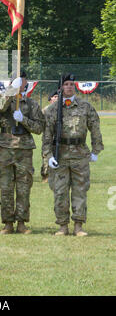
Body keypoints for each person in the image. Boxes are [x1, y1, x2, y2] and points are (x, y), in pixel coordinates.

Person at [42, 73, 104, 236]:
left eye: (71, 84)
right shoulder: (53, 109)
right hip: (60, 154)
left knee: (80, 190)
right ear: (60, 87)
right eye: (66, 84)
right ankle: (62, 226)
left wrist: (96, 150)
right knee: (60, 192)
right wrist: (48, 156)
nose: (69, 86)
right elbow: (47, 135)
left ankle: (78, 226)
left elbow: (95, 127)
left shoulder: (85, 106)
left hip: (80, 154)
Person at [0, 71, 45, 235]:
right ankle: (8, 222)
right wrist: (10, 91)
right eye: (15, 79)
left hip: (24, 148)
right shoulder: (4, 98)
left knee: (24, 187)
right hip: (6, 146)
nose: (18, 82)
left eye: (21, 80)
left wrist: (23, 119)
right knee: (6, 187)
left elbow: (39, 128)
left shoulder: (31, 104)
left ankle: (22, 222)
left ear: (26, 83)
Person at [40, 89, 58, 183]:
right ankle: (45, 175)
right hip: (47, 137)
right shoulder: (45, 110)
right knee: (46, 156)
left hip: (58, 137)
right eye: (54, 97)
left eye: (58, 97)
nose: (56, 98)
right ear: (50, 99)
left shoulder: (61, 110)